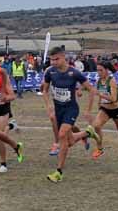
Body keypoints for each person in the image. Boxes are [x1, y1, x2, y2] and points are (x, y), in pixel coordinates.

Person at [40, 47, 98, 182]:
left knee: (61, 136)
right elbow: (44, 90)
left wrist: (88, 110)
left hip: (71, 109)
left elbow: (91, 89)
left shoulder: (74, 73)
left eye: (56, 59)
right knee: (70, 141)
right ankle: (87, 133)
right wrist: (48, 105)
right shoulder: (50, 72)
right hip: (58, 109)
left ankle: (58, 172)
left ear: (63, 57)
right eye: (51, 59)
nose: (53, 62)